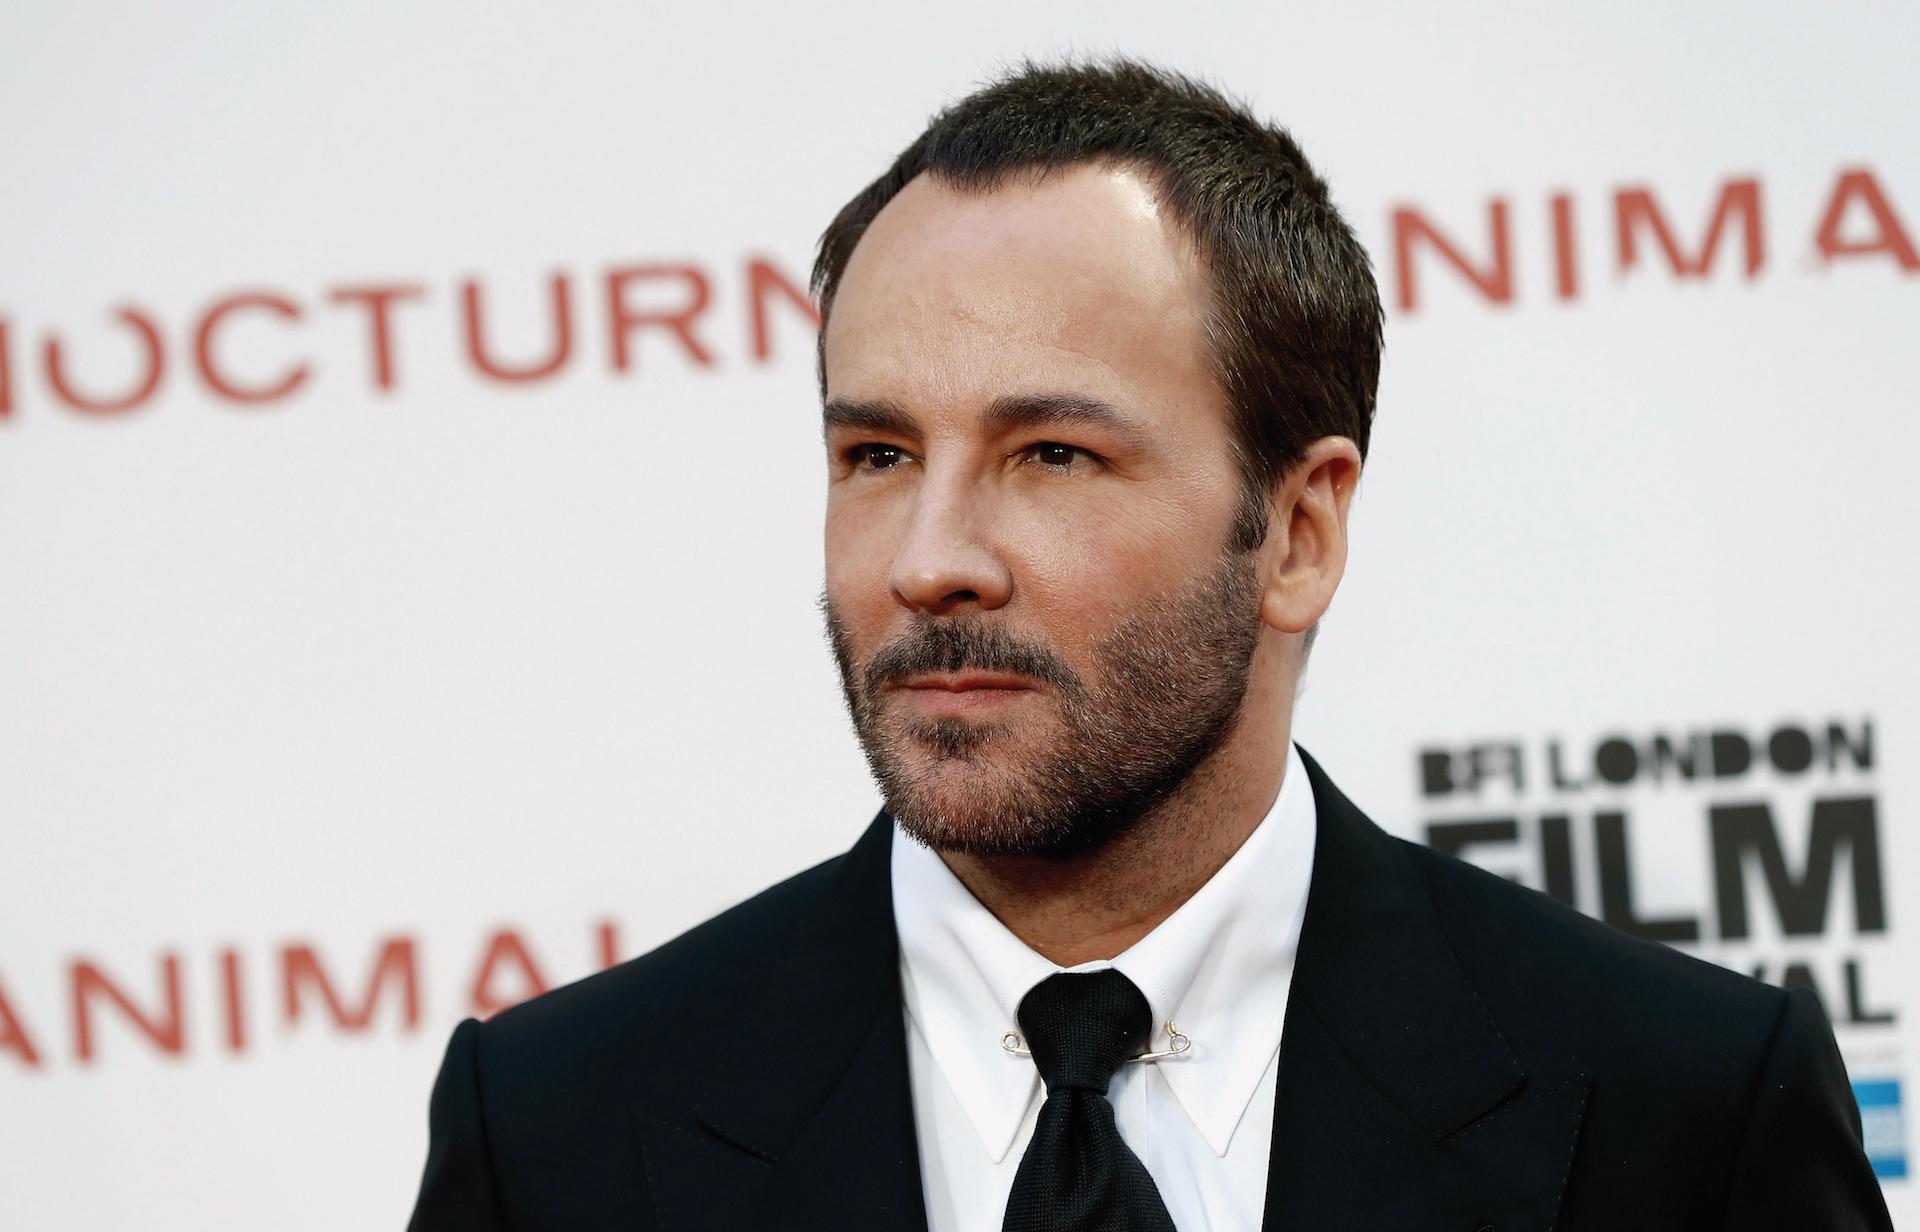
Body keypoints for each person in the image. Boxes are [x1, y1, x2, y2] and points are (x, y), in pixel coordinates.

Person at [407, 58, 1892, 1230]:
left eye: (1052, 455)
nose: (928, 561)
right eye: (876, 456)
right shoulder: (556, 1130)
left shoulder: (1679, 1107)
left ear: (1297, 533)